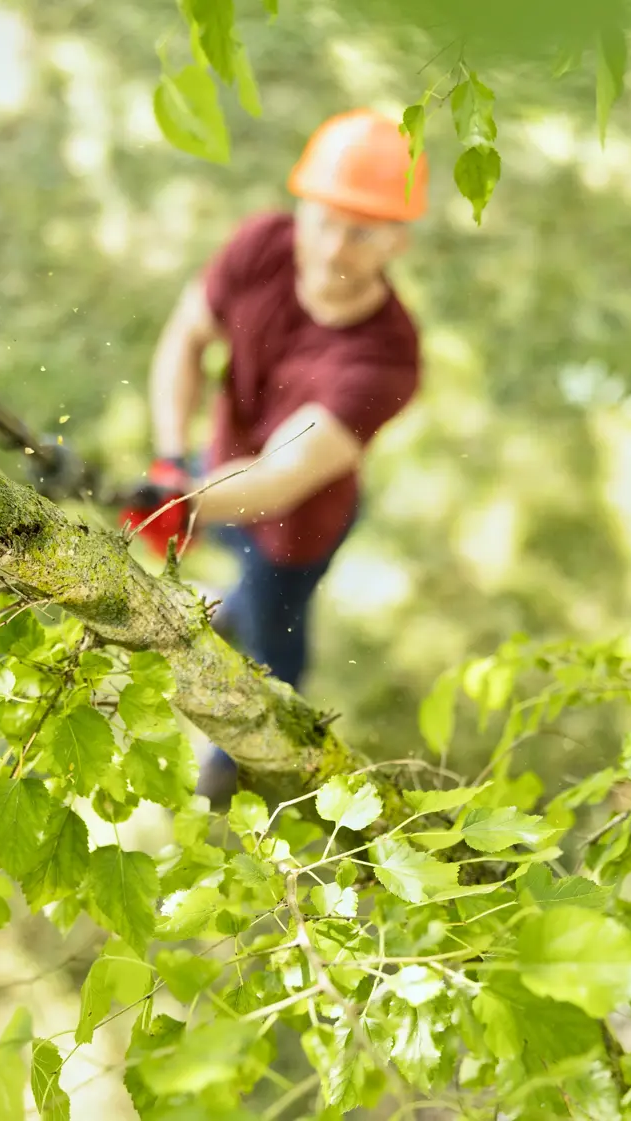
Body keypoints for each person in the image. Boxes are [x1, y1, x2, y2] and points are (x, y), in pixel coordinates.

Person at [124, 107, 429, 804]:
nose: (330, 249)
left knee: (273, 646)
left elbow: (285, 476)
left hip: (292, 528)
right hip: (212, 478)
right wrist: (174, 462)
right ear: (301, 204)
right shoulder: (263, 244)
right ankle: (230, 607)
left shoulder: (385, 358)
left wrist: (181, 499)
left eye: (361, 234)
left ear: (397, 243)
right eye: (322, 220)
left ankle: (242, 749)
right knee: (235, 580)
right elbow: (185, 338)